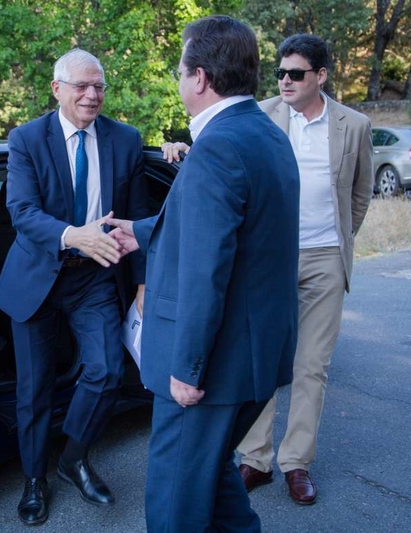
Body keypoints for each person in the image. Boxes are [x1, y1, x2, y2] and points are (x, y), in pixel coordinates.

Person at [162, 33, 375, 505]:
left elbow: (360, 195)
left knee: (311, 366)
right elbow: (224, 164)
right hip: (270, 260)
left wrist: (341, 238)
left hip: (323, 257)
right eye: (279, 72)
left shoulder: (354, 125)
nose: (284, 81)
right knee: (260, 359)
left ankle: (296, 462)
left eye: (295, 73)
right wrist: (183, 152)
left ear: (321, 76)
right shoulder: (259, 115)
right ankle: (254, 458)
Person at [107, 16, 300, 532]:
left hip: (210, 367)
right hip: (254, 355)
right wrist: (140, 230)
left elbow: (204, 268)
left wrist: (187, 370)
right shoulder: (264, 132)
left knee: (174, 503)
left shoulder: (218, 146)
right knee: (211, 478)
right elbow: (229, 230)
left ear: (199, 78)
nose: (177, 80)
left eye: (178, 70)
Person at [0, 48, 148, 526]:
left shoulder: (126, 140)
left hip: (96, 276)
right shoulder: (26, 139)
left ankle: (73, 458)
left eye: (98, 85)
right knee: (34, 390)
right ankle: (35, 479)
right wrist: (71, 235)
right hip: (38, 274)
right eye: (81, 86)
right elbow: (21, 212)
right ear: (57, 89)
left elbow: (140, 221)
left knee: (106, 371)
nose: (92, 94)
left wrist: (140, 285)